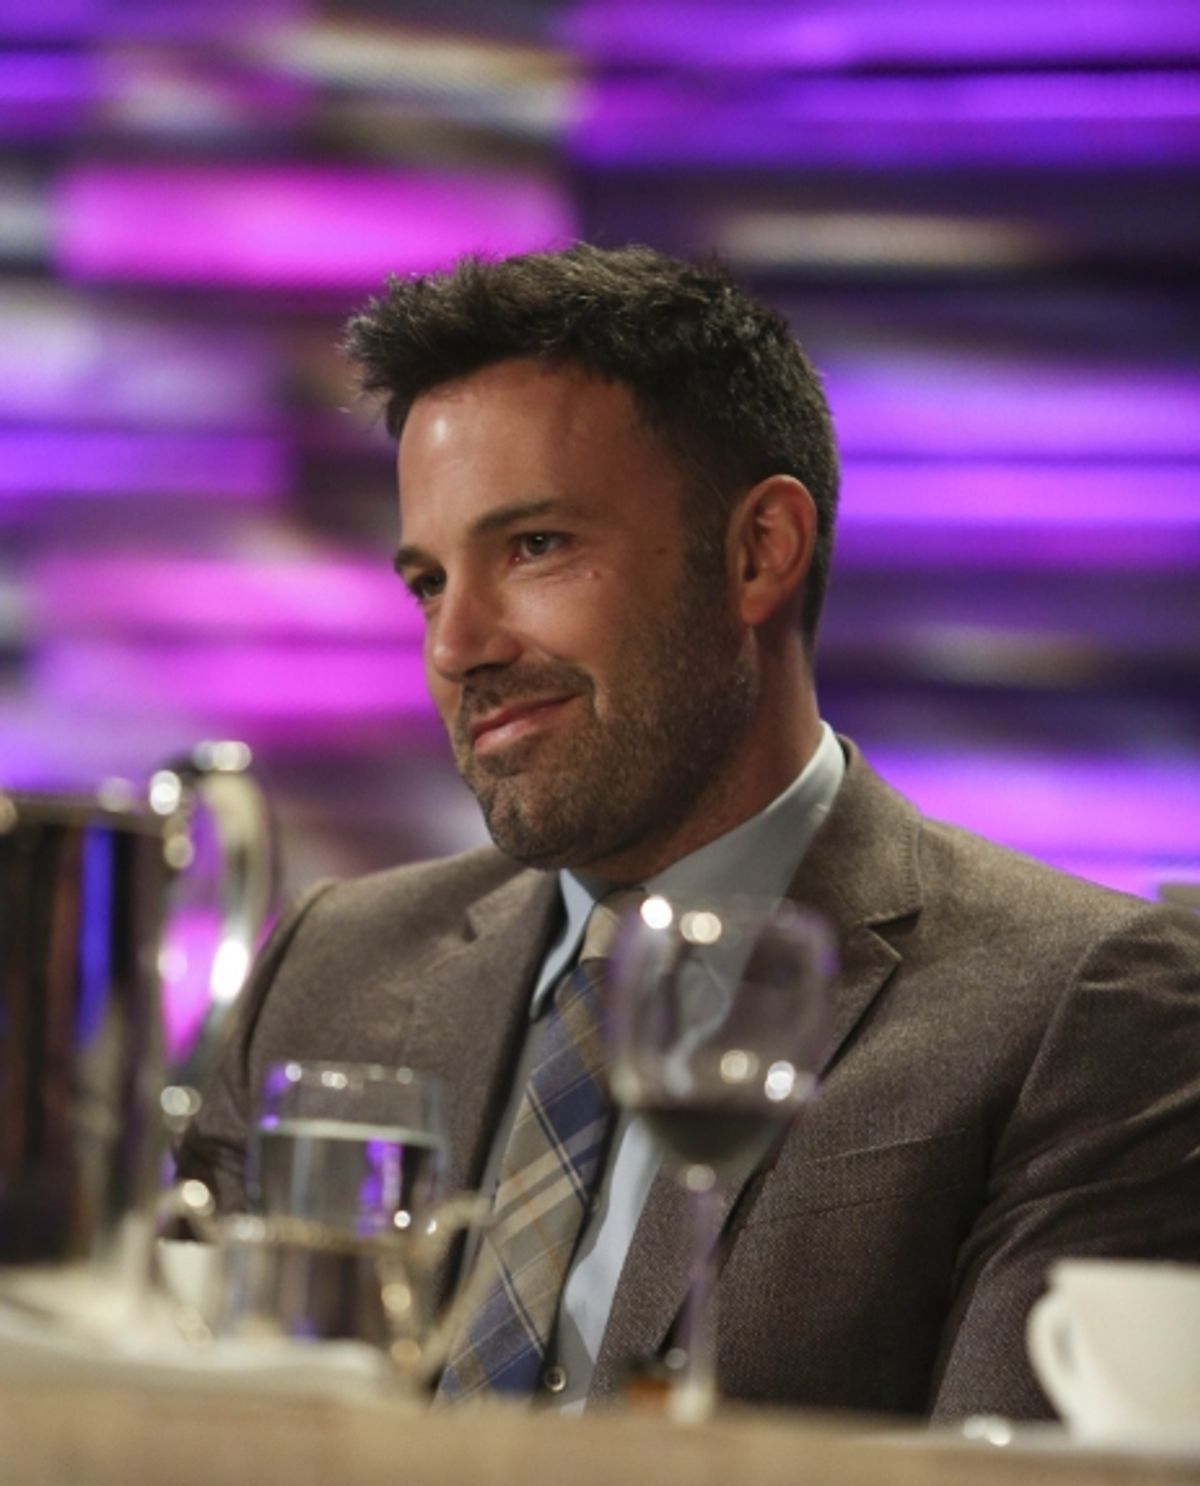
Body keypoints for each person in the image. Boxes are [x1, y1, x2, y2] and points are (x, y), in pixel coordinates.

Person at [180, 243, 1200, 1420]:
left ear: (758, 550)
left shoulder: (1090, 1006)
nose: (458, 643)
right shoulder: (334, 963)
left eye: (535, 547)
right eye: (425, 582)